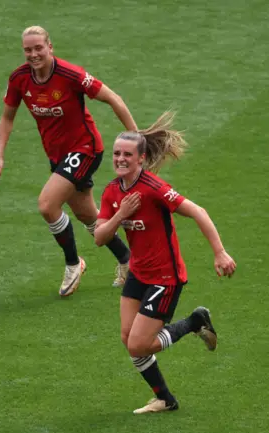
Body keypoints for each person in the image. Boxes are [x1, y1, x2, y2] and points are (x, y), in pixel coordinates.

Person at [94, 111, 237, 414]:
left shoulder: (154, 189)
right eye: (117, 153)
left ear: (141, 159)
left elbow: (198, 211)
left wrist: (220, 252)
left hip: (165, 277)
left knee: (138, 344)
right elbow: (100, 236)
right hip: (139, 273)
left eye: (127, 154)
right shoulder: (112, 192)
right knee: (127, 337)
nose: (120, 158)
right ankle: (165, 399)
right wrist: (121, 215)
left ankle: (194, 322)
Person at [0, 25, 136, 297]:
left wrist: (136, 138)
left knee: (47, 205)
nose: (33, 54)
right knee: (87, 215)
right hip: (58, 156)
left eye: (38, 48)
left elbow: (112, 98)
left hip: (85, 149)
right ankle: (128, 261)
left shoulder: (71, 75)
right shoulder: (19, 79)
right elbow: (7, 116)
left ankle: (73, 263)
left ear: (50, 47)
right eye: (27, 50)